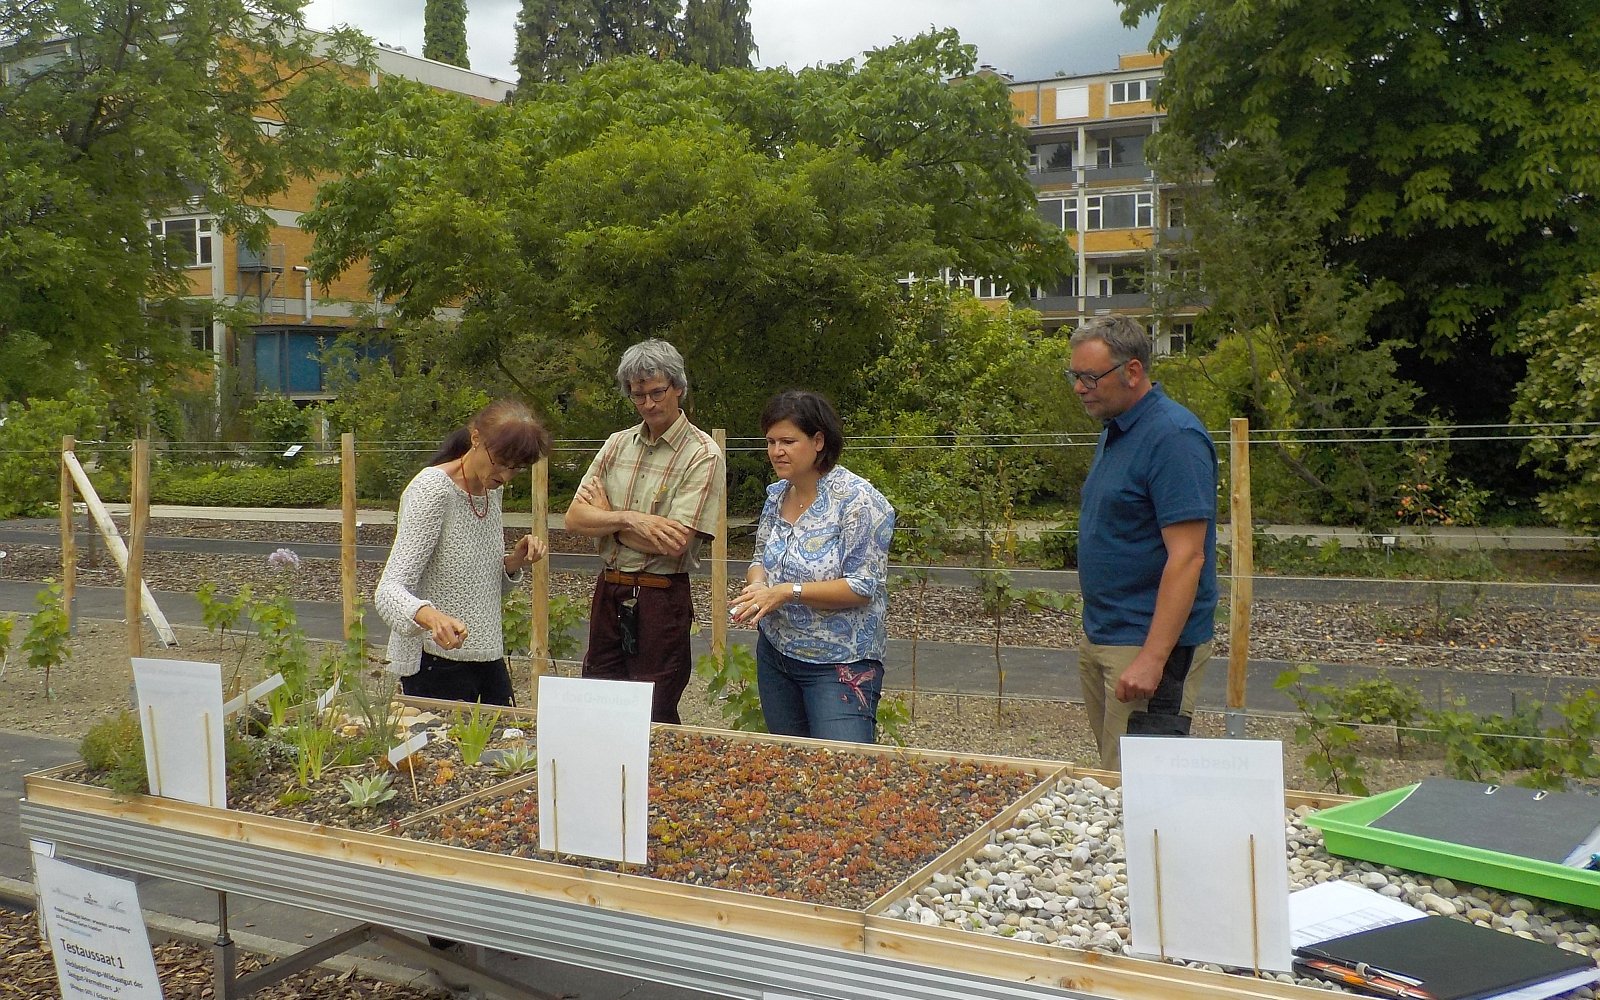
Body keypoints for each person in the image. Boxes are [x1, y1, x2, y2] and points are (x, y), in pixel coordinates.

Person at [1069, 315, 1218, 770]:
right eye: (1074, 376)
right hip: (1106, 634)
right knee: (1111, 781)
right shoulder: (1118, 430)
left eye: (1090, 377)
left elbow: (1188, 556)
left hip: (1147, 645)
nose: (1079, 388)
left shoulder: (1174, 438)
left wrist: (1154, 659)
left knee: (1141, 786)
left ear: (1133, 372)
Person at [564, 339, 725, 724]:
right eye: (639, 396)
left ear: (678, 388)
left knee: (653, 708)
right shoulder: (617, 444)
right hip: (610, 588)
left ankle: (657, 783)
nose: (649, 404)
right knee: (598, 698)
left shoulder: (702, 454)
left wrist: (607, 519)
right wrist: (630, 520)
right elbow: (573, 519)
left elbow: (676, 543)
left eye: (657, 392)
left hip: (660, 596)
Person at [735, 390, 896, 743]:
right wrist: (758, 587)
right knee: (794, 767)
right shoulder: (777, 495)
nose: (777, 451)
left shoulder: (859, 502)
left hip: (840, 665)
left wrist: (787, 592)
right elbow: (759, 558)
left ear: (819, 441)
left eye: (789, 441)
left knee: (842, 772)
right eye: (771, 441)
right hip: (776, 656)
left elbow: (862, 586)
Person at [376, 399, 551, 705]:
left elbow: (474, 586)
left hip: (487, 655)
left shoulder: (490, 491)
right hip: (436, 660)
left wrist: (513, 562)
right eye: (501, 462)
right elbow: (388, 591)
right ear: (475, 439)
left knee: (506, 746)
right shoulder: (433, 489)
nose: (506, 476)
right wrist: (431, 617)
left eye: (517, 469)